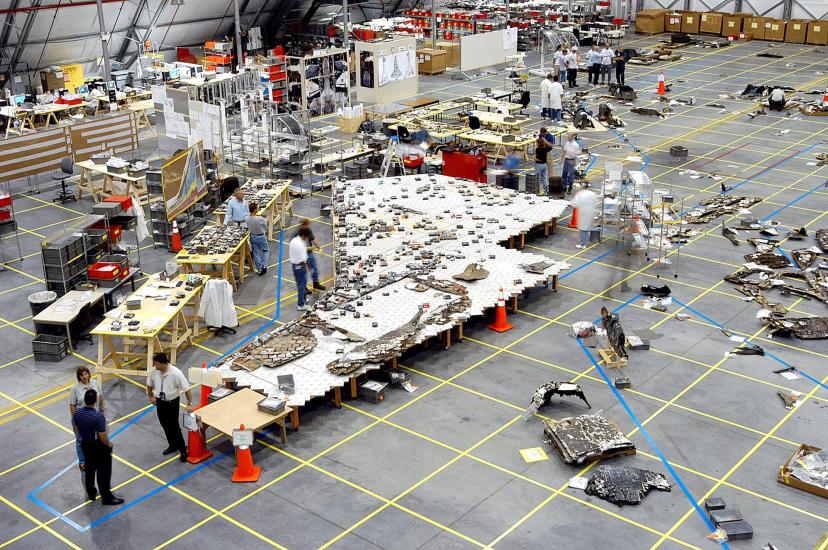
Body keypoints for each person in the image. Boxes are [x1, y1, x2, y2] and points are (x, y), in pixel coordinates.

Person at [74, 389, 123, 505]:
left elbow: (77, 426)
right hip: (98, 447)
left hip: (86, 444)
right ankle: (106, 497)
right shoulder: (98, 417)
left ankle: (91, 493)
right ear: (95, 401)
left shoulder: (77, 413)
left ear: (85, 400)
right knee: (103, 473)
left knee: (90, 470)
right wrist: (108, 445)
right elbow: (102, 435)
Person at [146, 352, 194, 462]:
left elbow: (187, 389)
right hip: (160, 402)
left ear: (163, 364)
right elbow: (149, 383)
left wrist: (190, 403)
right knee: (164, 424)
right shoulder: (155, 371)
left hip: (172, 402)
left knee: (174, 426)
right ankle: (172, 445)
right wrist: (151, 397)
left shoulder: (176, 373)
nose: (155, 366)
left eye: (156, 364)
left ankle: (182, 449)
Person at [68, 366, 104, 473]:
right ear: (78, 377)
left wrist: (101, 411)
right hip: (81, 419)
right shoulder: (75, 388)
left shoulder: (94, 383)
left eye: (86, 373)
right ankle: (83, 461)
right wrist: (76, 420)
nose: (84, 376)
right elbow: (72, 405)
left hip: (94, 417)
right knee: (80, 440)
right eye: (82, 375)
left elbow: (100, 397)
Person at [300, 219, 326, 292]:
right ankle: (303, 288)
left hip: (309, 252)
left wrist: (319, 248)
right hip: (301, 254)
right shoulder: (298, 233)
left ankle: (316, 283)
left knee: (314, 269)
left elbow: (313, 239)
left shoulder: (308, 230)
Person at [289, 227, 311, 311]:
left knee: (301, 284)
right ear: (303, 235)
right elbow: (303, 259)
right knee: (302, 285)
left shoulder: (293, 240)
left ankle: (304, 300)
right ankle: (301, 304)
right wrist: (308, 267)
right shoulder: (301, 244)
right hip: (300, 266)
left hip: (294, 265)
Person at [246, 203, 269, 275]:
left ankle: (259, 269)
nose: (258, 209)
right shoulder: (259, 218)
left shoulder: (247, 218)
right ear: (254, 210)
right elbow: (265, 223)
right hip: (261, 236)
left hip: (253, 236)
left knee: (256, 253)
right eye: (257, 208)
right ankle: (264, 266)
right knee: (266, 250)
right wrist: (268, 217)